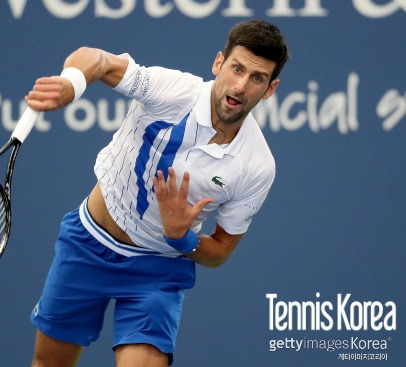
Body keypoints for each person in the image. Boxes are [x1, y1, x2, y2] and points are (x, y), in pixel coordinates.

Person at [26, 19, 289, 367]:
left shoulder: (257, 165)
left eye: (257, 78)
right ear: (218, 64)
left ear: (270, 89)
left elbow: (221, 250)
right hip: (88, 244)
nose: (240, 86)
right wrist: (72, 83)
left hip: (157, 270)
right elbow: (96, 59)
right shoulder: (173, 91)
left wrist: (182, 238)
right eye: (236, 69)